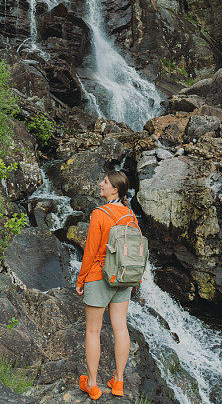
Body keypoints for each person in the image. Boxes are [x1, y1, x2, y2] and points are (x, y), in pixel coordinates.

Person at [76, 169, 134, 400]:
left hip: (99, 277)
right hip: (122, 277)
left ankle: (92, 384)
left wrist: (81, 280)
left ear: (115, 189)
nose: (100, 184)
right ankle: (118, 381)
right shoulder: (129, 215)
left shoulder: (99, 214)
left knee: (93, 330)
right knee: (121, 327)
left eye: (105, 182)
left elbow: (90, 251)